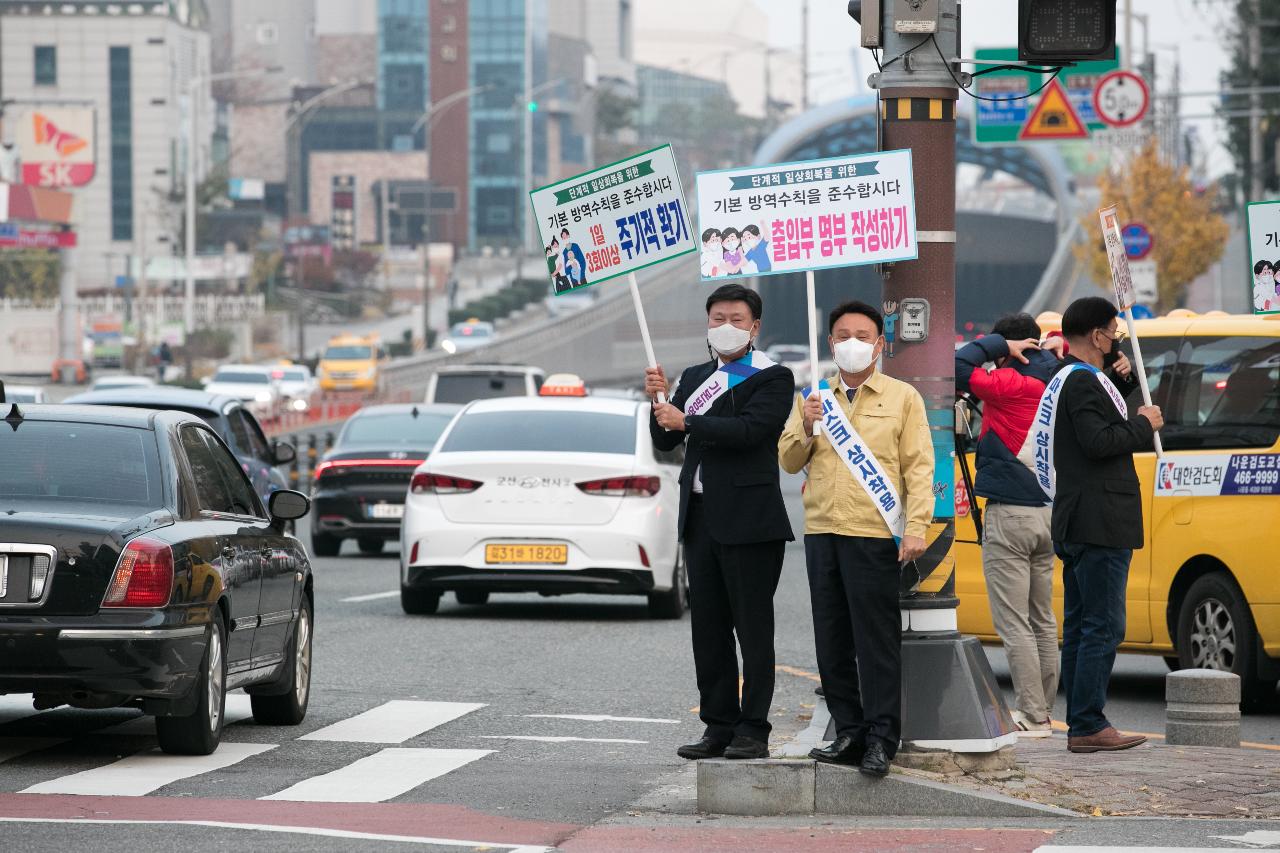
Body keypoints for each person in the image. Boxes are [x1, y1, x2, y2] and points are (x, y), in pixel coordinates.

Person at [778, 300, 933, 778]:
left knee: (876, 641)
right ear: (830, 342)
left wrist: (917, 527)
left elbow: (919, 467)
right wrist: (805, 425)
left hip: (872, 533)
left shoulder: (902, 396)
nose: (852, 343)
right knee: (832, 639)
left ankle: (882, 737)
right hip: (823, 531)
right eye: (843, 334)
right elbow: (787, 459)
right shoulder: (813, 397)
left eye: (863, 335)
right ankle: (849, 729)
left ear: (880, 343)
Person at [645, 283, 794, 761]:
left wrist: (687, 421)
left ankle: (753, 729)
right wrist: (660, 404)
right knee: (707, 630)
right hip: (701, 518)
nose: (724, 327)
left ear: (755, 327)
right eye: (716, 319)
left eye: (735, 319)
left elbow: (752, 431)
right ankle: (718, 726)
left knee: (752, 630)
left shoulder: (773, 377)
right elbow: (666, 442)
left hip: (751, 521)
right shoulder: (693, 376)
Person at [1032, 296, 1163, 754]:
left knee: (1085, 623)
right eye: (1113, 332)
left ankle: (1084, 721)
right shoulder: (1082, 383)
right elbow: (1099, 441)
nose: (1115, 340)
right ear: (1096, 336)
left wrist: (1122, 385)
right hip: (1097, 521)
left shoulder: (1075, 379)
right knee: (1102, 625)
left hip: (1079, 518)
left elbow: (1096, 427)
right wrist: (1145, 424)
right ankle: (1088, 722)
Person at [955, 313, 1065, 737]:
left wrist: (996, 344)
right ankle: (1044, 710)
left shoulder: (1010, 383)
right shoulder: (1057, 379)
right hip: (1049, 512)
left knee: (1014, 621)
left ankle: (1033, 715)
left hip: (1011, 513)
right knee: (1043, 618)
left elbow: (959, 367)